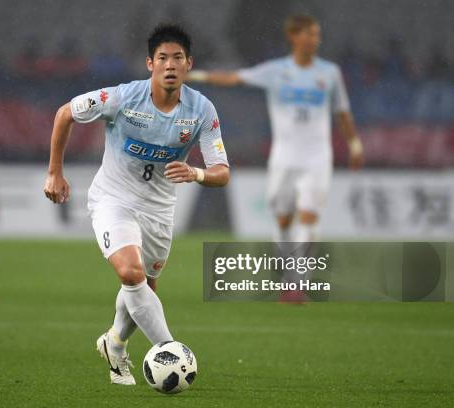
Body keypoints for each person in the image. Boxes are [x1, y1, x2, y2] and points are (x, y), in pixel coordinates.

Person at [43, 24, 230, 385]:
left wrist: (196, 173)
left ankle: (115, 343)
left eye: (178, 58)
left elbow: (222, 172)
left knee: (145, 286)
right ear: (150, 64)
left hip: (160, 210)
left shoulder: (202, 111)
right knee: (131, 274)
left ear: (189, 64)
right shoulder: (123, 98)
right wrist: (55, 173)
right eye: (163, 58)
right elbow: (65, 113)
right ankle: (170, 350)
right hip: (113, 198)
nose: (170, 65)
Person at [189, 14, 363, 243]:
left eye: (316, 35)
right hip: (285, 154)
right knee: (283, 219)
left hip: (317, 155)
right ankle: (286, 262)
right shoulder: (276, 71)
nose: (314, 40)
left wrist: (354, 143)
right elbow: (234, 78)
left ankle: (298, 276)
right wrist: (195, 74)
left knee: (309, 215)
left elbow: (342, 111)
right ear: (293, 36)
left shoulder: (330, 73)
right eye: (309, 34)